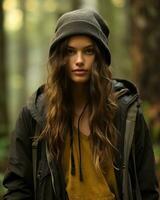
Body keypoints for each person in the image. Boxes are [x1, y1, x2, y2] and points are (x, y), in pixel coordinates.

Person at [3, 8, 159, 200]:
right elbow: (17, 188)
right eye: (70, 51)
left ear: (100, 57)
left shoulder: (126, 114)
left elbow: (148, 189)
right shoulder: (35, 115)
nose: (79, 60)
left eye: (88, 51)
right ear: (59, 57)